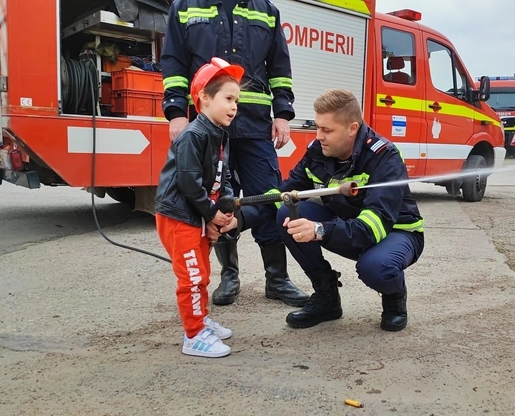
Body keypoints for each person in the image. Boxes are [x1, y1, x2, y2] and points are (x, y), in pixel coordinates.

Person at [220, 88, 425, 332]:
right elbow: (282, 195)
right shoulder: (318, 152)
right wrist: (238, 220)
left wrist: (320, 230)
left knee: (375, 267)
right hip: (350, 227)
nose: (318, 136)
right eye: (317, 127)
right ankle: (326, 297)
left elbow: (374, 226)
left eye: (326, 130)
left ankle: (394, 297)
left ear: (352, 128)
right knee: (288, 213)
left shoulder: (384, 156)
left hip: (396, 233)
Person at [160, 0, 310, 308]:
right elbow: (174, 62)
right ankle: (229, 277)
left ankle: (277, 279)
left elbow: (280, 67)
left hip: (256, 125)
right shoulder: (185, 7)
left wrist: (282, 113)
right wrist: (176, 112)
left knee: (269, 197)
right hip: (210, 127)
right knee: (220, 201)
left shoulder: (266, 10)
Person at [155, 57, 244, 358]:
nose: (234, 106)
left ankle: (200, 320)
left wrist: (226, 207)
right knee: (192, 276)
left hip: (197, 213)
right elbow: (189, 183)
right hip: (181, 216)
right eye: (228, 98)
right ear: (204, 98)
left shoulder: (220, 134)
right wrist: (211, 212)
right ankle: (193, 336)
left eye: (237, 101)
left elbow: (225, 176)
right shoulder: (194, 135)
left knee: (202, 272)